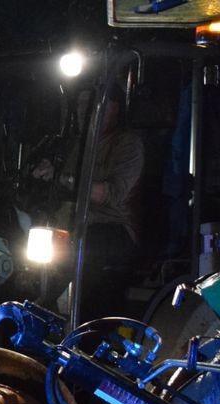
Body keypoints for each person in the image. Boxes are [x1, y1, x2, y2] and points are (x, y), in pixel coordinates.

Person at [32, 88, 143, 320]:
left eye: (92, 105)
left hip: (111, 228)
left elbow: (111, 194)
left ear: (114, 108)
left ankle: (87, 326)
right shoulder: (80, 146)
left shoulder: (127, 144)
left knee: (91, 247)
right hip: (71, 227)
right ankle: (36, 307)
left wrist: (62, 178)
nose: (85, 112)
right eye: (81, 105)